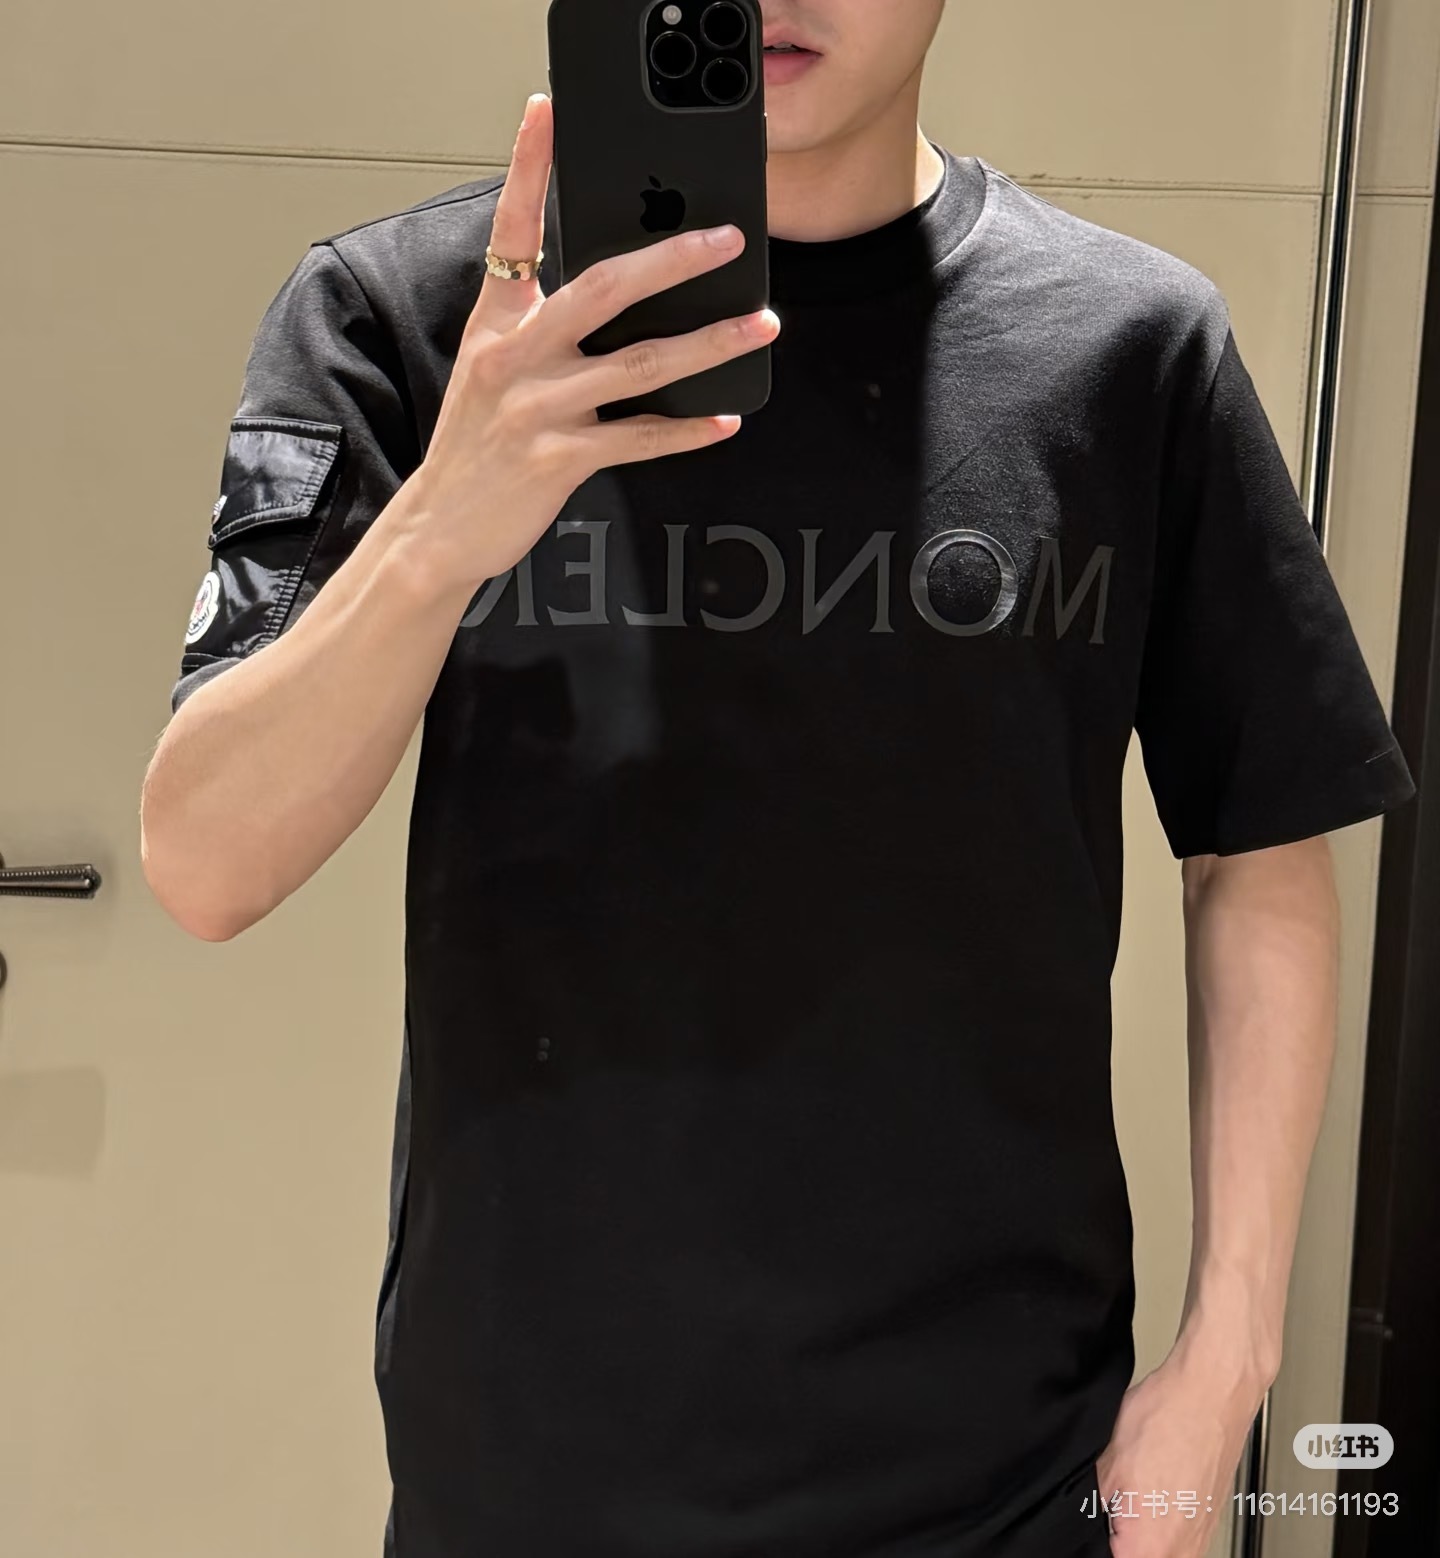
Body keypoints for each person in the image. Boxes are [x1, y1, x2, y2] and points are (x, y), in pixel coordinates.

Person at [139, 2, 1417, 1555]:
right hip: (531, 1484)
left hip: (1001, 1481)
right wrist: (442, 524)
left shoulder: (1128, 348)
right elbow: (206, 863)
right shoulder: (417, 321)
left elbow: (1259, 836)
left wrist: (1230, 1359)